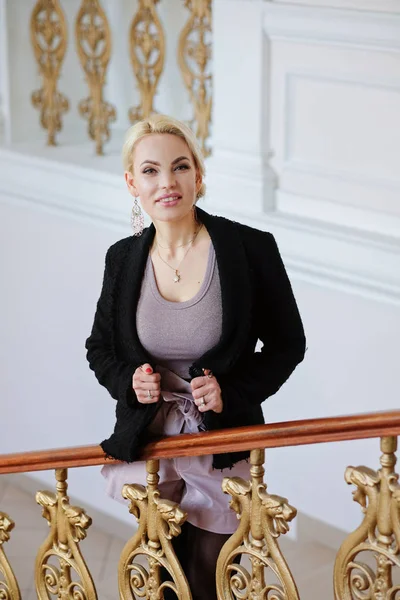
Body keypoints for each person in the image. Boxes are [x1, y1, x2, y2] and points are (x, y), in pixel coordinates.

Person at [85, 114, 306, 599]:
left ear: (198, 175)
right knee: (163, 577)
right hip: (151, 446)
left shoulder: (250, 249)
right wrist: (129, 381)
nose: (167, 182)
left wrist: (233, 390)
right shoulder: (122, 259)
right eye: (150, 170)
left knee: (209, 577)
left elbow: (289, 343)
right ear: (131, 183)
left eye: (180, 166)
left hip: (221, 444)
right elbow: (99, 348)